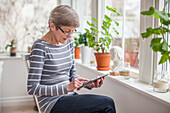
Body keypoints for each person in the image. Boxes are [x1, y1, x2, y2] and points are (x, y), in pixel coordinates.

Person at [27, 5, 116, 113]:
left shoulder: (69, 43)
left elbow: (72, 76)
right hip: (52, 103)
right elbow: (32, 88)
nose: (70, 36)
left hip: (70, 96)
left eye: (72, 31)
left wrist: (88, 84)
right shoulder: (40, 47)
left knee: (101, 108)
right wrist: (66, 88)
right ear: (52, 26)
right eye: (66, 31)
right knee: (107, 103)